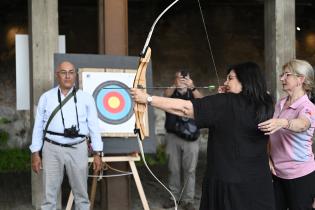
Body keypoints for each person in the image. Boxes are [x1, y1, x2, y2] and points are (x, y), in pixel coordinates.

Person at [131, 62, 276, 210]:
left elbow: (185, 108)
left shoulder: (224, 102)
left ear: (245, 81)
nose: (225, 82)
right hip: (259, 181)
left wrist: (148, 99)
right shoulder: (266, 103)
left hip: (228, 182)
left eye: (230, 78)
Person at [30, 61, 103, 210]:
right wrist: (35, 152)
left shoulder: (86, 98)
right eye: (63, 72)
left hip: (78, 148)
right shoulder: (46, 97)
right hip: (51, 149)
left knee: (82, 196)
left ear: (75, 75)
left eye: (71, 72)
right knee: (48, 198)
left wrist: (98, 153)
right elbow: (38, 126)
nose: (67, 76)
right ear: (58, 75)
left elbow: (94, 127)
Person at [258, 59, 315, 210]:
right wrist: (268, 157)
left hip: (300, 175)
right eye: (282, 75)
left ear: (300, 79)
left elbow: (303, 124)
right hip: (277, 173)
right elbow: (272, 135)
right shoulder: (281, 103)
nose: (282, 78)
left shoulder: (307, 107)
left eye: (287, 75)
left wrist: (283, 123)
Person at [162, 70, 203, 210]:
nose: (182, 81)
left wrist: (192, 87)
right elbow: (165, 96)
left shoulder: (193, 92)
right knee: (173, 169)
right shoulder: (172, 91)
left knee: (190, 170)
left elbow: (202, 102)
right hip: (173, 136)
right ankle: (174, 198)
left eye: (185, 78)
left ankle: (188, 200)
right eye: (180, 78)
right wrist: (175, 84)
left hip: (191, 138)